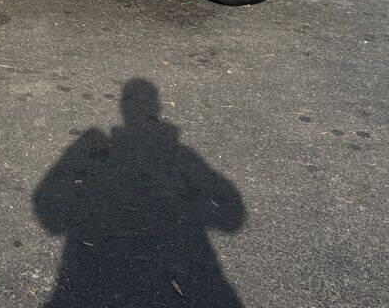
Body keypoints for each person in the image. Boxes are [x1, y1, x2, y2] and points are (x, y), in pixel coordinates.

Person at [32, 78, 245, 307]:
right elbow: (231, 218)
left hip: (90, 270)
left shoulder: (176, 154)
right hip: (184, 265)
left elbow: (49, 212)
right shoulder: (181, 154)